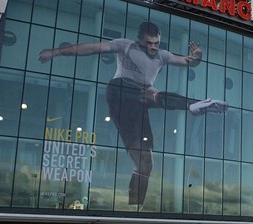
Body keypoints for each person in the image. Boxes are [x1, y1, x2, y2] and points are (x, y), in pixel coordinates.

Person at [38, 21, 228, 206]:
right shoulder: (125, 46)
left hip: (140, 103)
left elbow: (189, 62)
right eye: (149, 43)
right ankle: (191, 104)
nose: (153, 47)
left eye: (156, 43)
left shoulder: (163, 56)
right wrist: (57, 52)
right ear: (139, 40)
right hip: (121, 91)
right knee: (150, 92)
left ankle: (134, 206)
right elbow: (91, 48)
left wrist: (198, 55)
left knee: (146, 163)